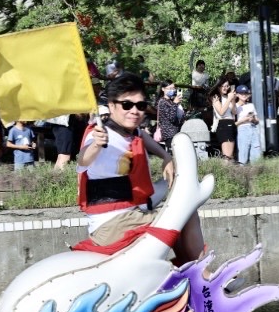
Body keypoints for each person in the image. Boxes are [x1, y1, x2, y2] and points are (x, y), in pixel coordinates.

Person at [77, 74, 205, 262]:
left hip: (132, 211)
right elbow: (83, 161)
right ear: (112, 106)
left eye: (141, 106)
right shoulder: (102, 135)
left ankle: (187, 267)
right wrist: (96, 145)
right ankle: (203, 274)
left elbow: (143, 138)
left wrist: (166, 156)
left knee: (182, 199)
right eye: (127, 105)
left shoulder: (130, 131)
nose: (135, 111)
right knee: (185, 213)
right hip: (113, 224)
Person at [211, 78, 239, 160]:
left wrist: (233, 100)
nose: (225, 88)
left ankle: (229, 170)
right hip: (223, 124)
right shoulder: (216, 97)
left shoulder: (228, 97)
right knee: (227, 155)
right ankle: (225, 170)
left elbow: (234, 112)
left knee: (231, 155)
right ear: (218, 87)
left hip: (231, 123)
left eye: (227, 86)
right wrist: (229, 99)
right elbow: (221, 112)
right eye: (222, 86)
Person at [156, 80, 185, 147]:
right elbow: (171, 118)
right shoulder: (162, 102)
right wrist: (175, 103)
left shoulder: (171, 101)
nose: (172, 90)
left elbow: (179, 116)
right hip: (169, 133)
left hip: (176, 132)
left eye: (173, 88)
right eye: (169, 88)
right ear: (163, 89)